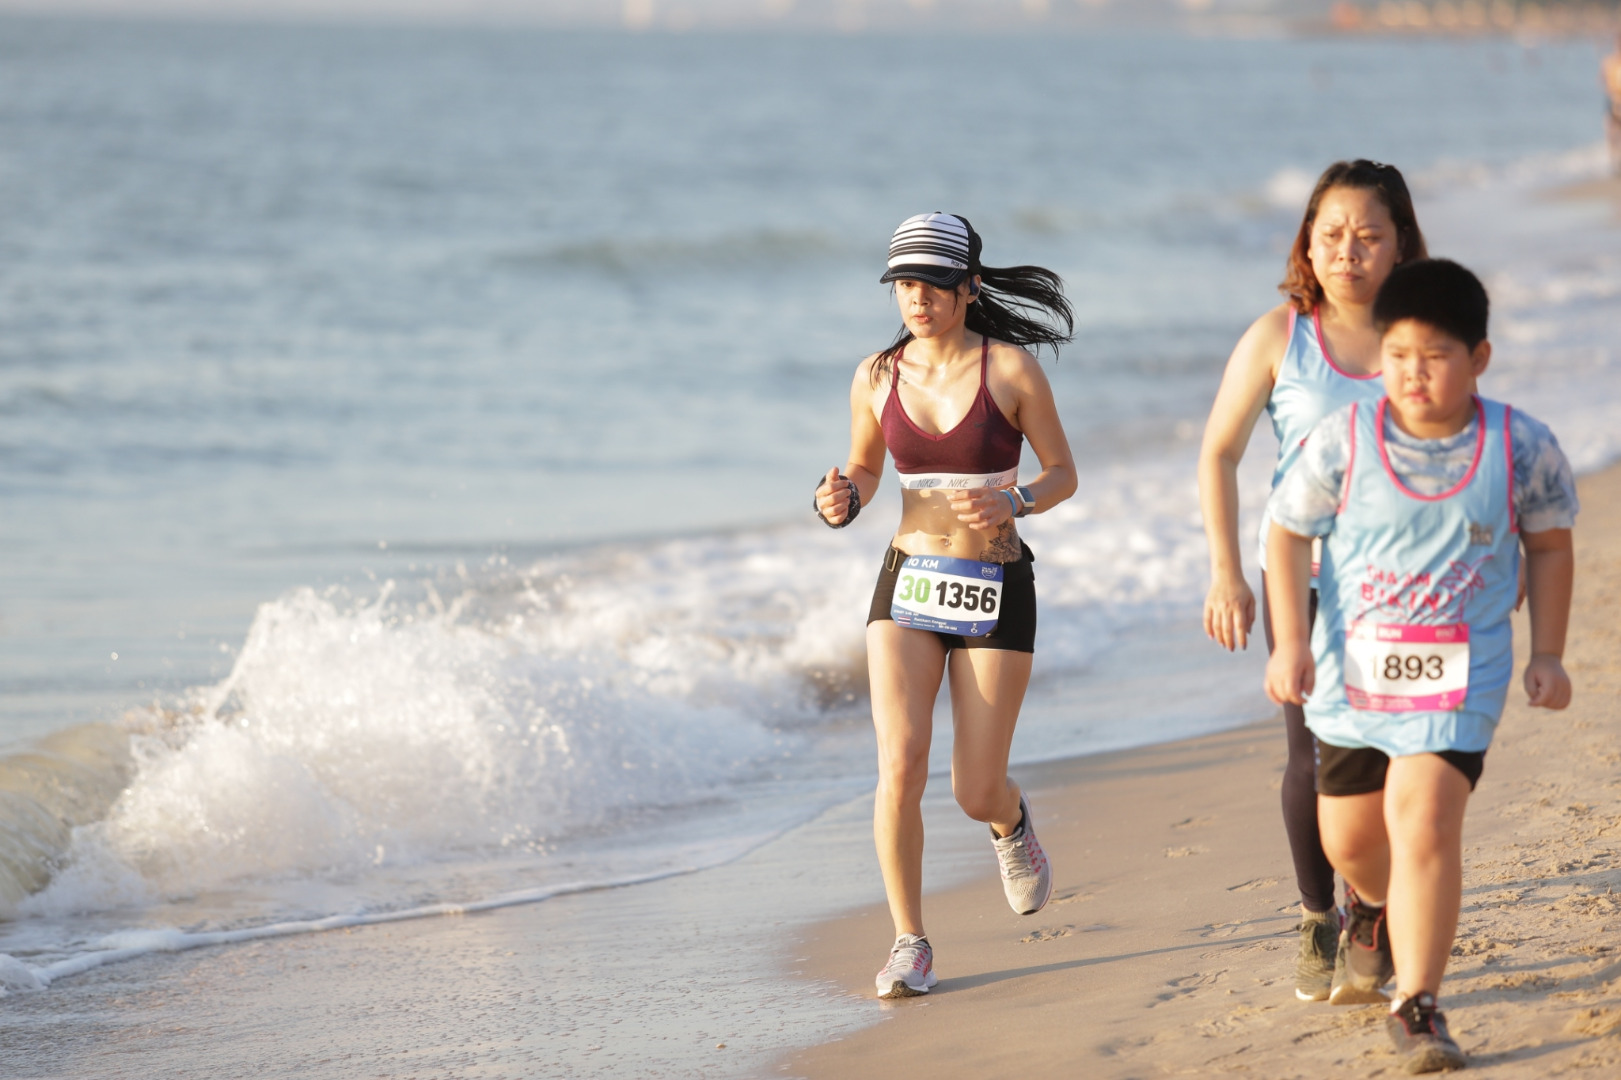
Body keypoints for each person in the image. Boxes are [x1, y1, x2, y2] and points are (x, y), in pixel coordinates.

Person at [1264, 258, 1578, 1072]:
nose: (1413, 374)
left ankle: (1418, 1005)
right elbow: (1285, 532)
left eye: (1433, 356)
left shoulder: (1522, 446)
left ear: (1477, 357)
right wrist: (1291, 641)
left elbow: (1547, 545)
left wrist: (1547, 652)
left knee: (1425, 819)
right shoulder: (1342, 439)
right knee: (1353, 843)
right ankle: (1368, 907)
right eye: (1397, 354)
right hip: (1349, 677)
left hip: (1459, 675)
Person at [813, 212, 1077, 999]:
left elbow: (1064, 472)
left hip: (995, 585)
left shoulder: (1012, 374)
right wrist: (841, 497)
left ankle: (1009, 820)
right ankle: (909, 942)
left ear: (967, 287)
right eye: (902, 282)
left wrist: (1018, 502)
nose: (915, 296)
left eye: (931, 282)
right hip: (907, 583)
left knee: (972, 787)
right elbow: (862, 466)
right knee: (898, 761)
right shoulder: (874, 375)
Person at [1197, 160, 1428, 1002]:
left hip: (1402, 583)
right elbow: (1217, 454)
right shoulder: (1278, 336)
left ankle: (1371, 904)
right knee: (1314, 754)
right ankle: (1317, 917)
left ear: (1399, 242)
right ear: (1305, 241)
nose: (1348, 251)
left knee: (1392, 756)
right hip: (1299, 572)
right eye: (1330, 234)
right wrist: (1227, 572)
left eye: (1368, 235)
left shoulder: (1419, 334)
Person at [1605, 33, 1621, 177]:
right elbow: (1602, 79)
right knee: (1611, 134)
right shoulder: (1609, 62)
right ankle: (1614, 164)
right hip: (1612, 100)